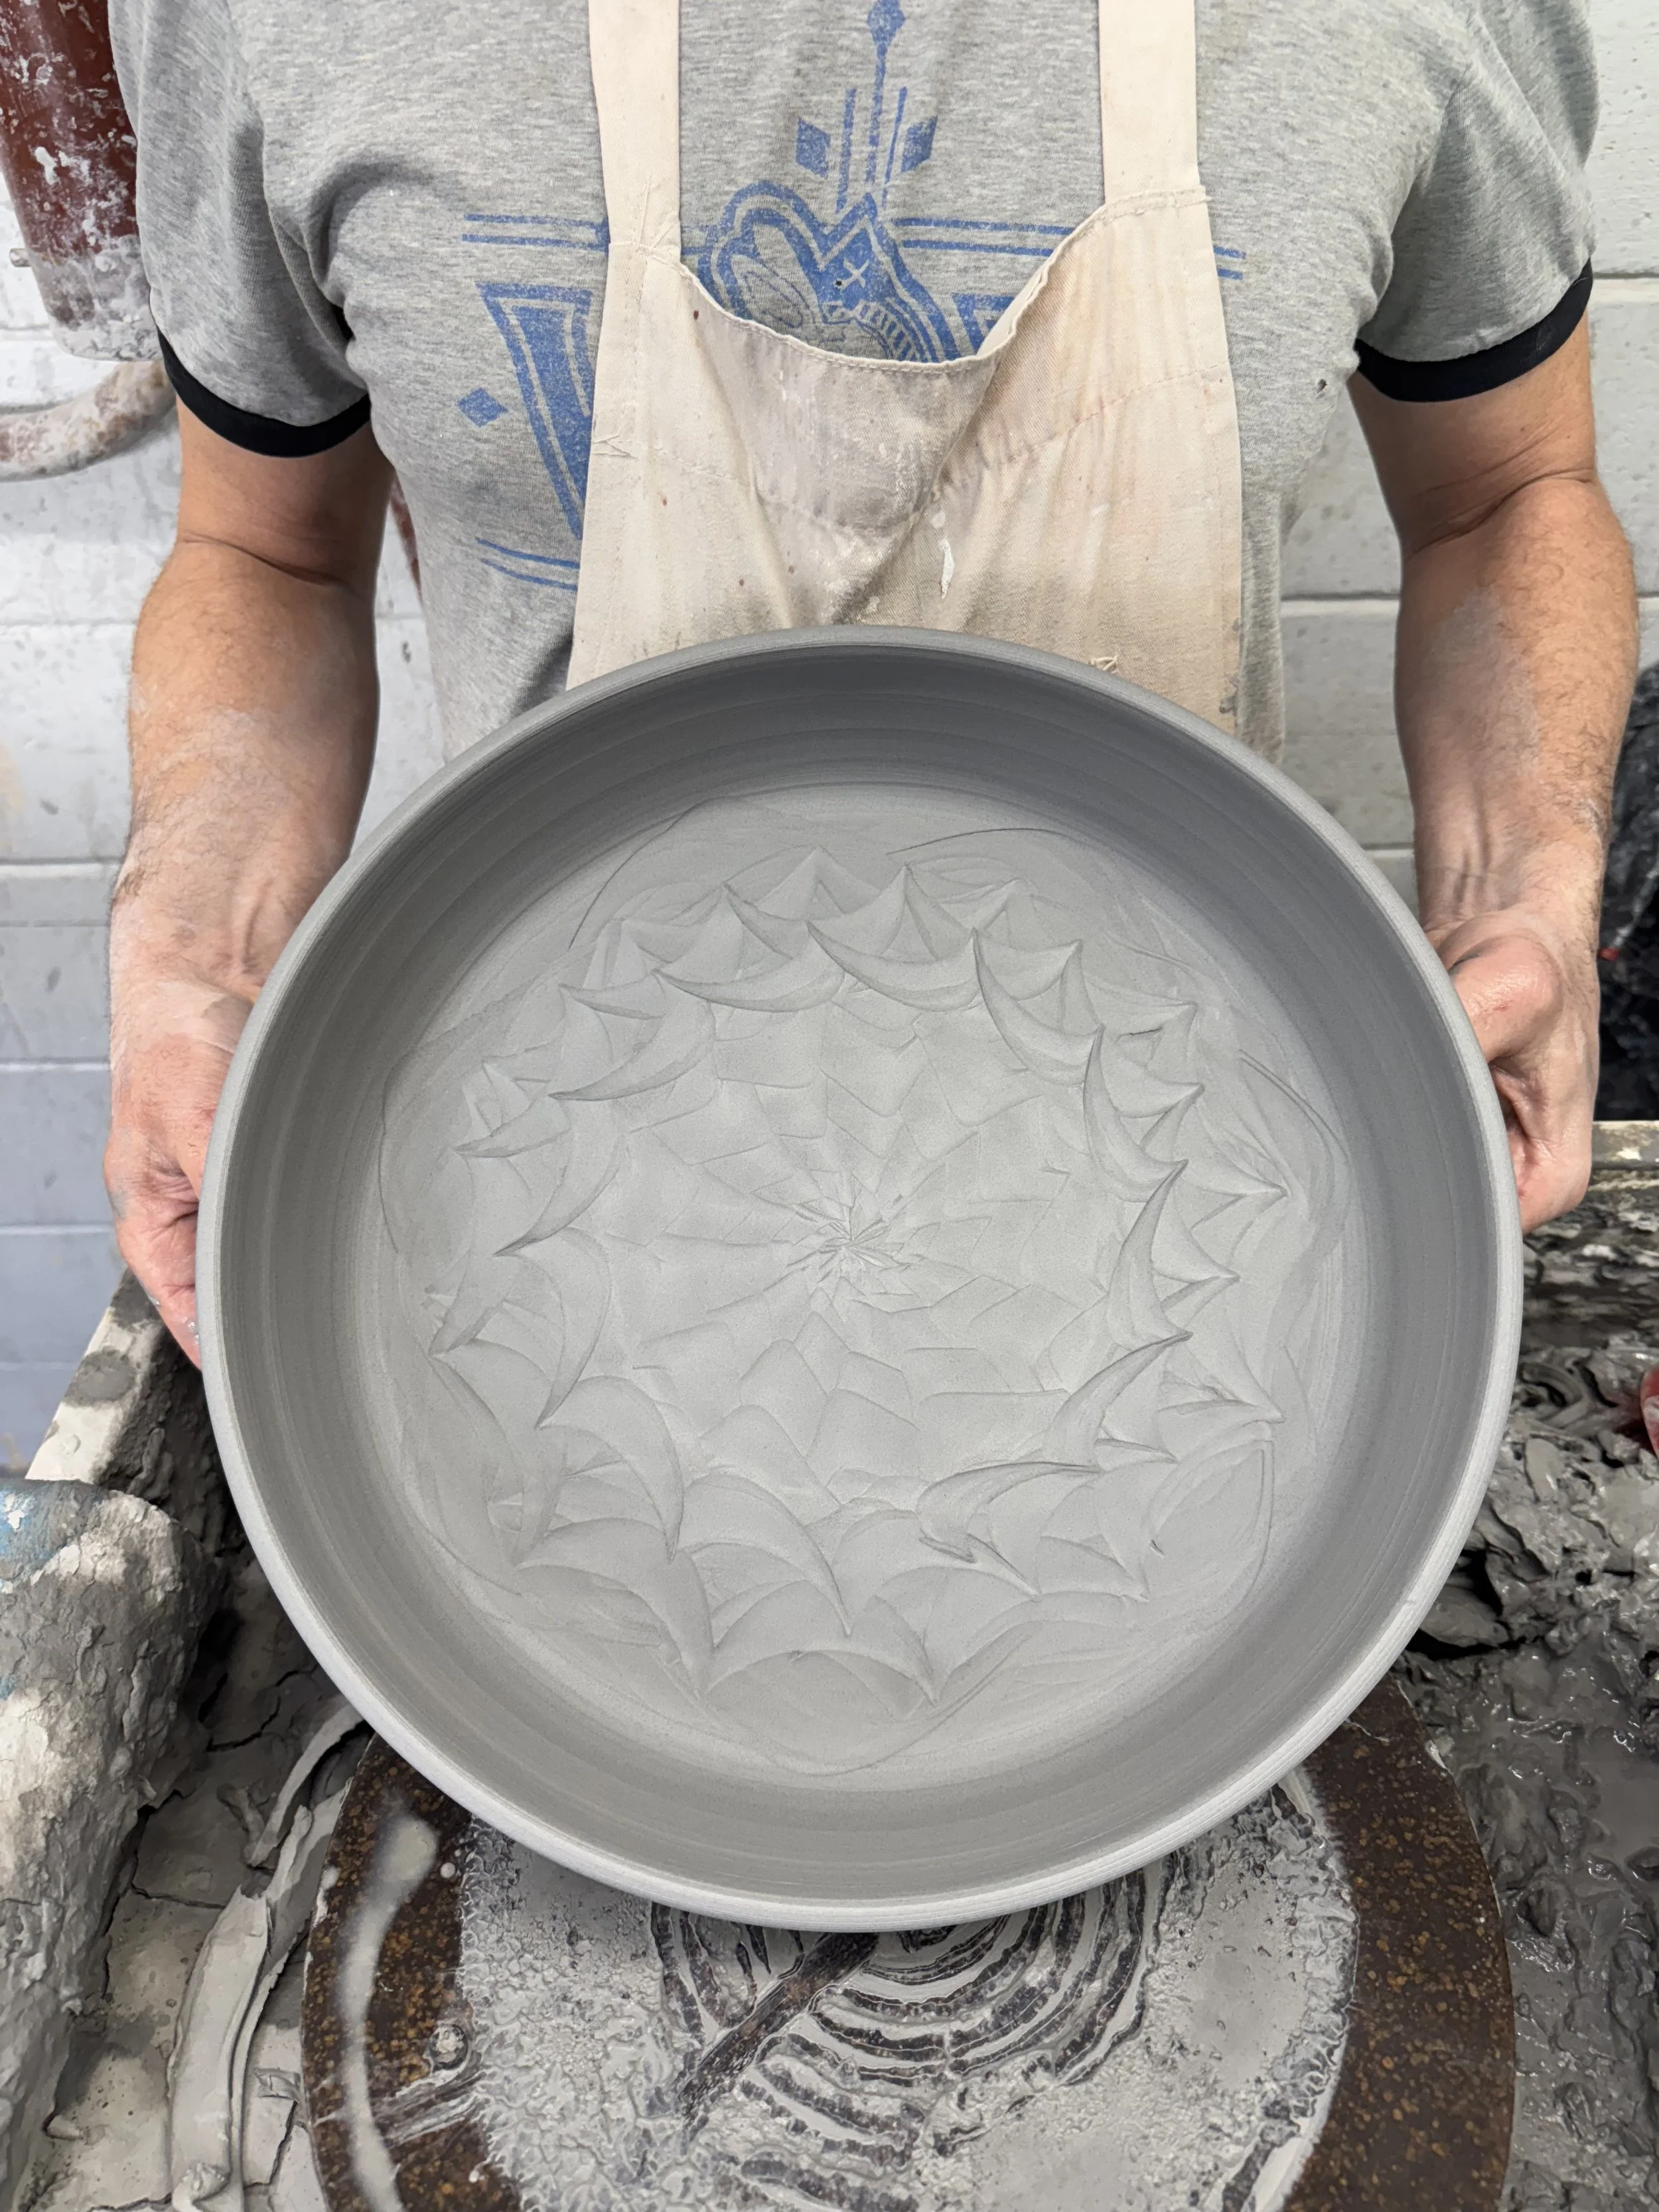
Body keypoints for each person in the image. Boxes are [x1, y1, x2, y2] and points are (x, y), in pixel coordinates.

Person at [104, 0, 1638, 1362]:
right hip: (555, 1197)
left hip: (1186, 1176)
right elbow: (270, 555)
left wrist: (1525, 887)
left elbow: (1502, 497)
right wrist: (191, 952)